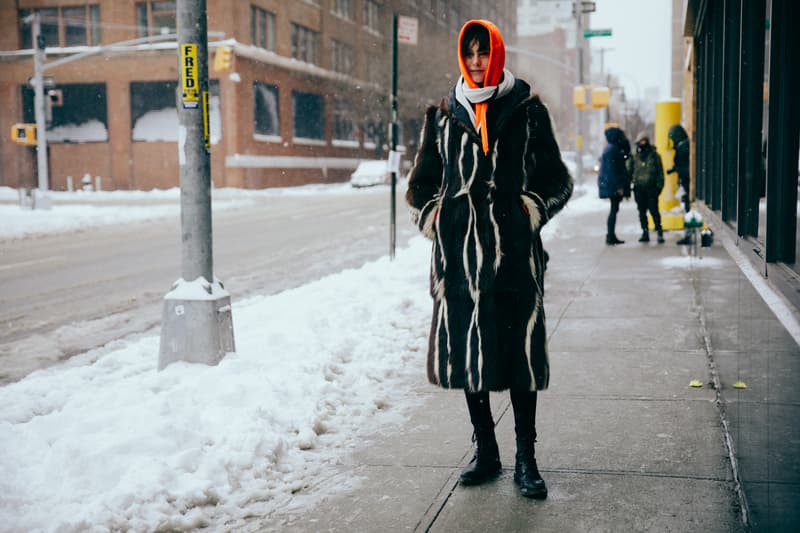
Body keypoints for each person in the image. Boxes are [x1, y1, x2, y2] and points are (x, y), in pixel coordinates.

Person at [405, 19, 573, 499]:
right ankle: (487, 451)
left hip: (514, 258)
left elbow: (558, 179)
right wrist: (436, 217)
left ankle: (526, 458)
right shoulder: (441, 116)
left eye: (485, 53)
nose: (477, 62)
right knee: (468, 357)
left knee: (519, 357)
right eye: (470, 54)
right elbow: (419, 186)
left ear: (496, 54)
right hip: (458, 262)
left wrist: (530, 210)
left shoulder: (526, 110)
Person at [628, 132, 665, 243]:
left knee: (654, 211)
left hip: (652, 188)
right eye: (640, 142)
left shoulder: (654, 155)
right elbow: (629, 170)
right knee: (642, 212)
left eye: (644, 141)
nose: (642, 143)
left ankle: (659, 231)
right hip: (639, 188)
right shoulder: (635, 156)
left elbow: (660, 173)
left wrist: (659, 187)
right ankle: (645, 232)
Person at [598, 126, 632, 245]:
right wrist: (619, 187)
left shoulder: (610, 148)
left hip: (610, 185)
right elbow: (613, 171)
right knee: (613, 210)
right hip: (613, 186)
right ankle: (610, 236)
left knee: (614, 209)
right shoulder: (612, 150)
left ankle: (611, 235)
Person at [666, 124, 692, 245]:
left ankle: (689, 235)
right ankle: (692, 234)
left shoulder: (683, 147)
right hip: (687, 183)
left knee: (689, 209)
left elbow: (685, 167)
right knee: (689, 208)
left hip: (688, 184)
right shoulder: (685, 145)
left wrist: (678, 170)